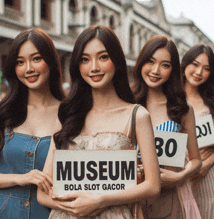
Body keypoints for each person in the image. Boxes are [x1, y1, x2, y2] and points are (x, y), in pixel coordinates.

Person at [37, 25, 160, 219]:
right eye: (85, 60)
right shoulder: (69, 114)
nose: (94, 67)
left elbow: (153, 186)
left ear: (117, 61)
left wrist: (99, 201)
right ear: (78, 65)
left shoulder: (137, 116)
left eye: (103, 57)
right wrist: (73, 207)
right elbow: (42, 194)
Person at [0, 27, 65, 218]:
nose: (28, 69)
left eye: (36, 58)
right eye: (20, 62)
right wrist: (22, 178)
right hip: (5, 213)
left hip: (52, 213)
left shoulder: (70, 113)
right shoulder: (0, 110)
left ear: (50, 61)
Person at [132, 35, 202, 218]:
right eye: (150, 61)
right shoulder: (126, 103)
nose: (155, 70)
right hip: (128, 198)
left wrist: (180, 177)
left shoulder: (182, 109)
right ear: (141, 63)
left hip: (167, 200)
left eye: (165, 65)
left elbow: (196, 160)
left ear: (172, 70)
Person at [181, 44, 214, 219]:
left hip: (206, 179)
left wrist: (207, 164)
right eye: (195, 64)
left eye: (206, 68)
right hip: (177, 179)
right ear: (185, 63)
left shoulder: (211, 102)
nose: (199, 72)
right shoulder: (171, 98)